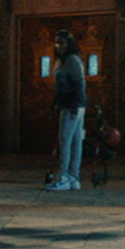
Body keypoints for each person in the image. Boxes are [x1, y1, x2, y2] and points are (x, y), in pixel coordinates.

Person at [46, 30, 86, 191]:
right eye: (57, 42)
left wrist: (75, 105)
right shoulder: (63, 61)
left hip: (72, 105)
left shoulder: (72, 61)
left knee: (66, 140)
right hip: (70, 104)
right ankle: (72, 177)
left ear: (69, 44)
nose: (58, 46)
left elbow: (79, 84)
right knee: (74, 140)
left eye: (61, 43)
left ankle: (64, 176)